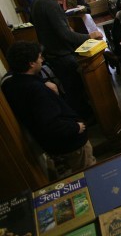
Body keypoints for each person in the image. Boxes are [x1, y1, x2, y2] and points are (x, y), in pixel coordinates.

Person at [2, 41, 96, 175]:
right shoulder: (36, 91)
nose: (42, 59)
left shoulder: (10, 82)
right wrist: (76, 127)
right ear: (31, 64)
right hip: (71, 142)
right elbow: (51, 124)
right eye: (39, 57)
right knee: (88, 171)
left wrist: (44, 81)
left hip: (51, 144)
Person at [30, 0, 103, 118]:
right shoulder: (50, 5)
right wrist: (90, 36)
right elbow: (65, 35)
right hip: (61, 55)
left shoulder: (37, 0)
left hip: (52, 52)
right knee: (75, 89)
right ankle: (85, 118)